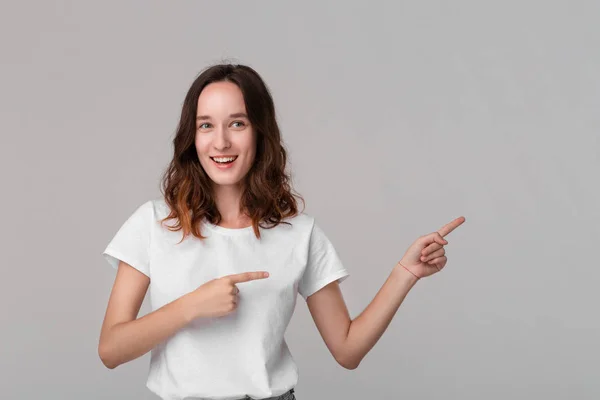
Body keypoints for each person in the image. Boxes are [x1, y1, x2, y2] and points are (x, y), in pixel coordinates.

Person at [98, 63, 465, 400]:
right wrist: (191, 307)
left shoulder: (299, 234)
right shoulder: (154, 224)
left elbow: (348, 350)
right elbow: (111, 349)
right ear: (191, 137)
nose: (221, 142)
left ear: (260, 132)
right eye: (206, 125)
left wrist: (406, 273)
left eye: (237, 123)